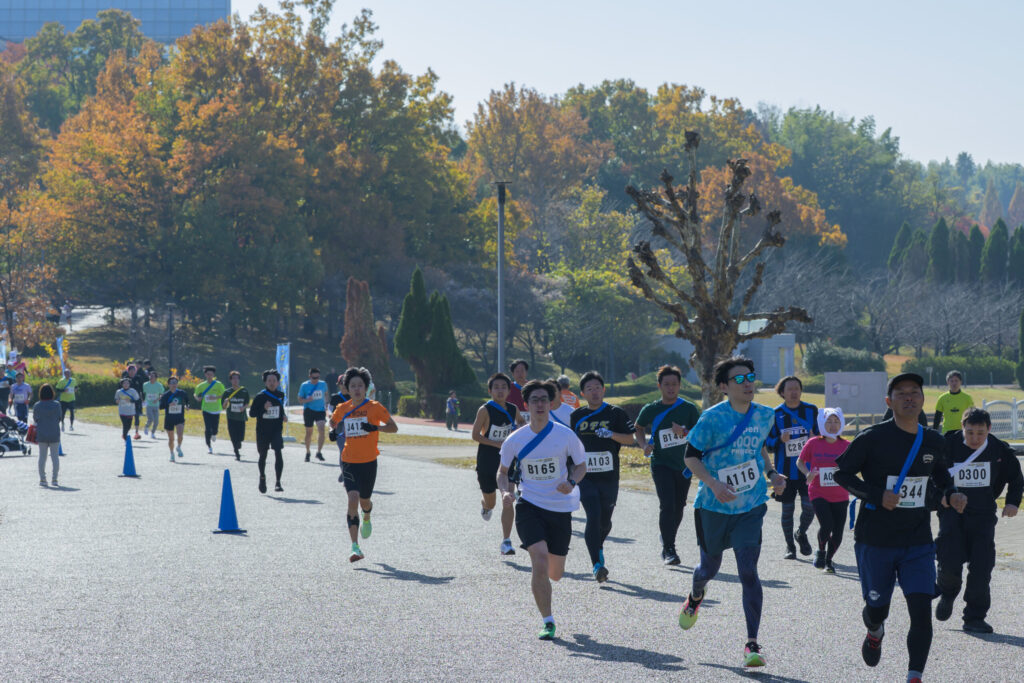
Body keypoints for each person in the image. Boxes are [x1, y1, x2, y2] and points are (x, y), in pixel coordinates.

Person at [834, 372, 966, 683]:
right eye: (901, 393)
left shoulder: (933, 440)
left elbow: (941, 476)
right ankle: (875, 630)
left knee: (921, 611)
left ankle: (914, 676)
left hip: (918, 541)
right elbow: (842, 474)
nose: (909, 397)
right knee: (877, 608)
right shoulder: (872, 438)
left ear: (923, 399)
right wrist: (877, 495)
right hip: (876, 539)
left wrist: (951, 493)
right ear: (889, 401)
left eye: (915, 392)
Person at [678, 356, 785, 669]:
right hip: (713, 506)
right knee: (707, 569)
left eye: (750, 377)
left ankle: (752, 643)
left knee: (748, 571)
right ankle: (696, 596)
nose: (748, 382)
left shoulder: (765, 415)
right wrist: (713, 484)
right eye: (739, 379)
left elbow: (760, 449)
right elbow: (690, 457)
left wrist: (773, 474)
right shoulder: (712, 418)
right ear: (723, 386)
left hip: (750, 504)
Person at [498, 379, 586, 640]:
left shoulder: (565, 435)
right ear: (526, 405)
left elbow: (581, 466)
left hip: (559, 508)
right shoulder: (515, 440)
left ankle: (548, 582)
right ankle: (548, 621)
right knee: (538, 558)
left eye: (544, 400)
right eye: (534, 400)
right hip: (530, 505)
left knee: (555, 573)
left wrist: (571, 482)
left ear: (551, 404)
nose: (539, 404)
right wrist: (505, 491)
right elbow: (502, 473)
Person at [935, 407, 1023, 634]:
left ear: (989, 429)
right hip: (952, 514)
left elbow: (1016, 477)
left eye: (980, 433)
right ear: (962, 428)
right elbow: (930, 475)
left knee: (982, 566)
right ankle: (948, 592)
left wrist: (1013, 502)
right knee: (949, 561)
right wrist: (942, 498)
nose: (975, 438)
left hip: (983, 515)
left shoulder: (998, 449)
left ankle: (974, 617)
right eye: (970, 432)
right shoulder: (947, 446)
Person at [569, 372, 634, 583]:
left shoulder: (616, 413)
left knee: (605, 522)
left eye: (598, 387)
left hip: (609, 476)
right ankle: (597, 564)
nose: (594, 391)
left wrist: (611, 434)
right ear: (583, 393)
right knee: (593, 515)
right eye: (590, 388)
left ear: (603, 390)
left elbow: (630, 439)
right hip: (584, 474)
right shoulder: (576, 416)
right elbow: (569, 444)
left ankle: (597, 545)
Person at [329, 367, 398, 562]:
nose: (357, 389)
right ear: (347, 389)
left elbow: (393, 427)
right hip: (349, 460)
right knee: (352, 499)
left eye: (360, 385)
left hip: (368, 462)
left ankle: (367, 514)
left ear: (366, 388)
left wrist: (375, 427)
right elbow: (332, 423)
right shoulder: (342, 408)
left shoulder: (375, 407)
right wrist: (332, 432)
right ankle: (354, 547)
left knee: (364, 501)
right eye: (353, 386)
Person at [634, 365, 701, 566]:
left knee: (679, 506)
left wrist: (685, 431)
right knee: (667, 504)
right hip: (660, 462)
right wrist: (644, 445)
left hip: (684, 464)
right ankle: (669, 549)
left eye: (674, 384)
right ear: (659, 386)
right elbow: (638, 428)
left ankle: (667, 536)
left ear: (680, 385)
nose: (670, 388)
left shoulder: (688, 408)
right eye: (666, 385)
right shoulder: (651, 409)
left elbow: (700, 434)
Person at [764, 376, 819, 560]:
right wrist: (780, 439)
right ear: (782, 392)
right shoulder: (775, 414)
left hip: (807, 471)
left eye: (797, 388)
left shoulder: (811, 411)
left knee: (809, 507)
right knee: (787, 510)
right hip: (785, 471)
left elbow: (824, 437)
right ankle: (790, 547)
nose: (794, 392)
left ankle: (801, 533)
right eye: (790, 389)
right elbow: (767, 444)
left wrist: (815, 437)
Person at [472, 372, 525, 555]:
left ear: (509, 390)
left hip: (507, 461)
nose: (500, 391)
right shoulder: (485, 410)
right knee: (492, 503)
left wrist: (517, 435)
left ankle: (506, 541)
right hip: (487, 461)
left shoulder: (513, 409)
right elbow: (475, 435)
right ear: (490, 390)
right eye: (496, 387)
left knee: (508, 498)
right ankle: (485, 506)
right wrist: (498, 444)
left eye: (504, 387)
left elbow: (522, 423)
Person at [796, 407, 849, 573]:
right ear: (822, 423)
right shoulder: (813, 443)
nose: (832, 425)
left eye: (836, 421)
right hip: (818, 491)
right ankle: (821, 550)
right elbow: (800, 462)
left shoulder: (847, 445)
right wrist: (808, 474)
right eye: (829, 422)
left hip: (840, 494)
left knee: (838, 533)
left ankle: (829, 560)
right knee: (827, 524)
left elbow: (855, 466)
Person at [249, 369, 289, 494]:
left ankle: (278, 482)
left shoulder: (281, 395)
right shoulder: (260, 396)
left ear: (278, 382)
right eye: (269, 381)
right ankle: (262, 477)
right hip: (262, 431)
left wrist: (283, 415)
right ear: (265, 382)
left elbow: (279, 408)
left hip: (276, 430)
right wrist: (264, 408)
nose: (272, 383)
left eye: (274, 381)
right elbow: (252, 413)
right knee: (263, 455)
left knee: (278, 452)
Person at [33, 384, 62, 487]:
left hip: (42, 434)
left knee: (42, 457)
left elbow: (35, 419)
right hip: (54, 433)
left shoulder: (37, 405)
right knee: (55, 457)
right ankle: (54, 479)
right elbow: (59, 418)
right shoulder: (57, 404)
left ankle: (42, 479)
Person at [298, 367, 328, 462]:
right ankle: (308, 452)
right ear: (309, 376)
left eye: (317, 377)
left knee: (322, 430)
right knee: (309, 432)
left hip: (320, 410)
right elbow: (300, 399)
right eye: (314, 378)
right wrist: (308, 400)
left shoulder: (323, 384)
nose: (316, 380)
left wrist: (326, 403)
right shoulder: (304, 385)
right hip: (309, 410)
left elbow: (326, 394)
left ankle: (319, 452)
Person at [194, 365, 225, 454]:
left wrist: (216, 397)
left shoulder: (218, 384)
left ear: (213, 375)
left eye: (211, 374)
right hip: (206, 409)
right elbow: (195, 394)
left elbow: (224, 394)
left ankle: (214, 434)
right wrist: (197, 398)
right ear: (205, 375)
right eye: (208, 374)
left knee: (214, 429)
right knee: (208, 428)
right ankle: (209, 446)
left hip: (216, 409)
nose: (209, 376)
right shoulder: (202, 385)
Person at [933, 370, 973, 435]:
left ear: (960, 382)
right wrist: (934, 432)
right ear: (948, 382)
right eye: (951, 381)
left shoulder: (967, 398)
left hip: (963, 431)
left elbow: (972, 416)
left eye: (956, 381)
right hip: (947, 431)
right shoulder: (942, 398)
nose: (954, 383)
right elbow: (937, 417)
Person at [159, 376, 189, 461]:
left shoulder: (182, 393)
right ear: (168, 384)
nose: (174, 384)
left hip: (179, 417)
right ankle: (172, 453)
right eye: (172, 383)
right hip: (169, 419)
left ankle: (178, 447)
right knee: (171, 438)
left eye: (175, 382)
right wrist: (169, 405)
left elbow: (187, 401)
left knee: (180, 435)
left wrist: (187, 406)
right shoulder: (165, 395)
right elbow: (160, 406)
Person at [222, 371, 250, 460]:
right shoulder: (227, 392)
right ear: (230, 380)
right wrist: (225, 402)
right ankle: (236, 453)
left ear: (239, 380)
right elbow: (223, 407)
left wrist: (244, 407)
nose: (235, 380)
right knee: (233, 435)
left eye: (237, 378)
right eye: (233, 378)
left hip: (241, 417)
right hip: (231, 417)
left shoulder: (244, 391)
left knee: (241, 436)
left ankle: (239, 443)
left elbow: (247, 403)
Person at [328, 376, 351, 480]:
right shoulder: (335, 398)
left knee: (352, 451)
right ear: (339, 385)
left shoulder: (354, 397)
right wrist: (331, 417)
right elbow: (330, 410)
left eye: (346, 383)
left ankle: (347, 471)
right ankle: (345, 472)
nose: (344, 385)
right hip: (340, 427)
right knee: (343, 451)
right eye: (342, 383)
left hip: (352, 427)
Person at [122, 362, 146, 440]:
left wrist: (143, 398)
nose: (132, 372)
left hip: (137, 400)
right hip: (127, 401)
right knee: (128, 418)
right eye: (130, 370)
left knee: (137, 416)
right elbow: (121, 389)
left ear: (135, 371)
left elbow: (142, 389)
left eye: (133, 370)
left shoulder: (138, 378)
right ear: (128, 371)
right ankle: (125, 432)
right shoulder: (125, 379)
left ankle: (136, 432)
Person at [142, 370, 164, 439]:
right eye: (150, 376)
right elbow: (142, 393)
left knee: (156, 421)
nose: (151, 377)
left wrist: (157, 399)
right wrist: (142, 400)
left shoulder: (159, 385)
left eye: (152, 376)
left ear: (156, 378)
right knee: (150, 418)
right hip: (148, 404)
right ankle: (146, 426)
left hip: (156, 405)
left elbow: (162, 394)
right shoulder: (145, 384)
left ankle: (153, 433)